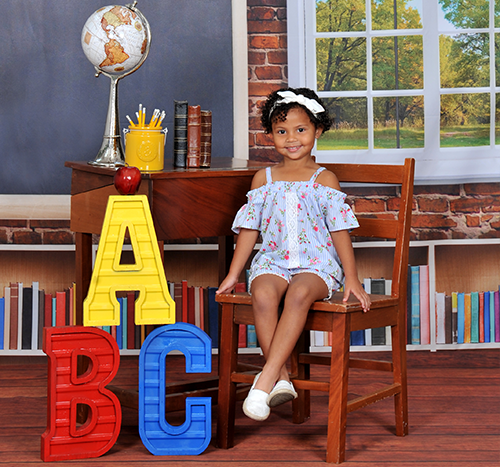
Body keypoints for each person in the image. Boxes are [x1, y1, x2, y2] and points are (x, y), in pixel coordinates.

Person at [216, 87, 371, 421]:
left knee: (300, 293)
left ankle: (264, 381)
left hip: (315, 265)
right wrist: (233, 274)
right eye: (281, 131)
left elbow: (339, 231)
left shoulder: (324, 179)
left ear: (317, 130)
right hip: (273, 260)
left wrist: (353, 278)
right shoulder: (263, 179)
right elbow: (249, 231)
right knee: (262, 292)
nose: (291, 138)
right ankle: (282, 378)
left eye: (300, 130)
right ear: (270, 135)